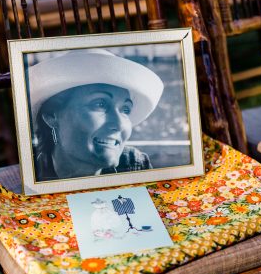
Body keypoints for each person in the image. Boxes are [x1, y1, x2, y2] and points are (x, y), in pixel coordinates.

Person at [28, 48, 164, 181]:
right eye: (100, 104)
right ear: (51, 115)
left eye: (125, 110)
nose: (119, 124)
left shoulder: (133, 163)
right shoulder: (29, 176)